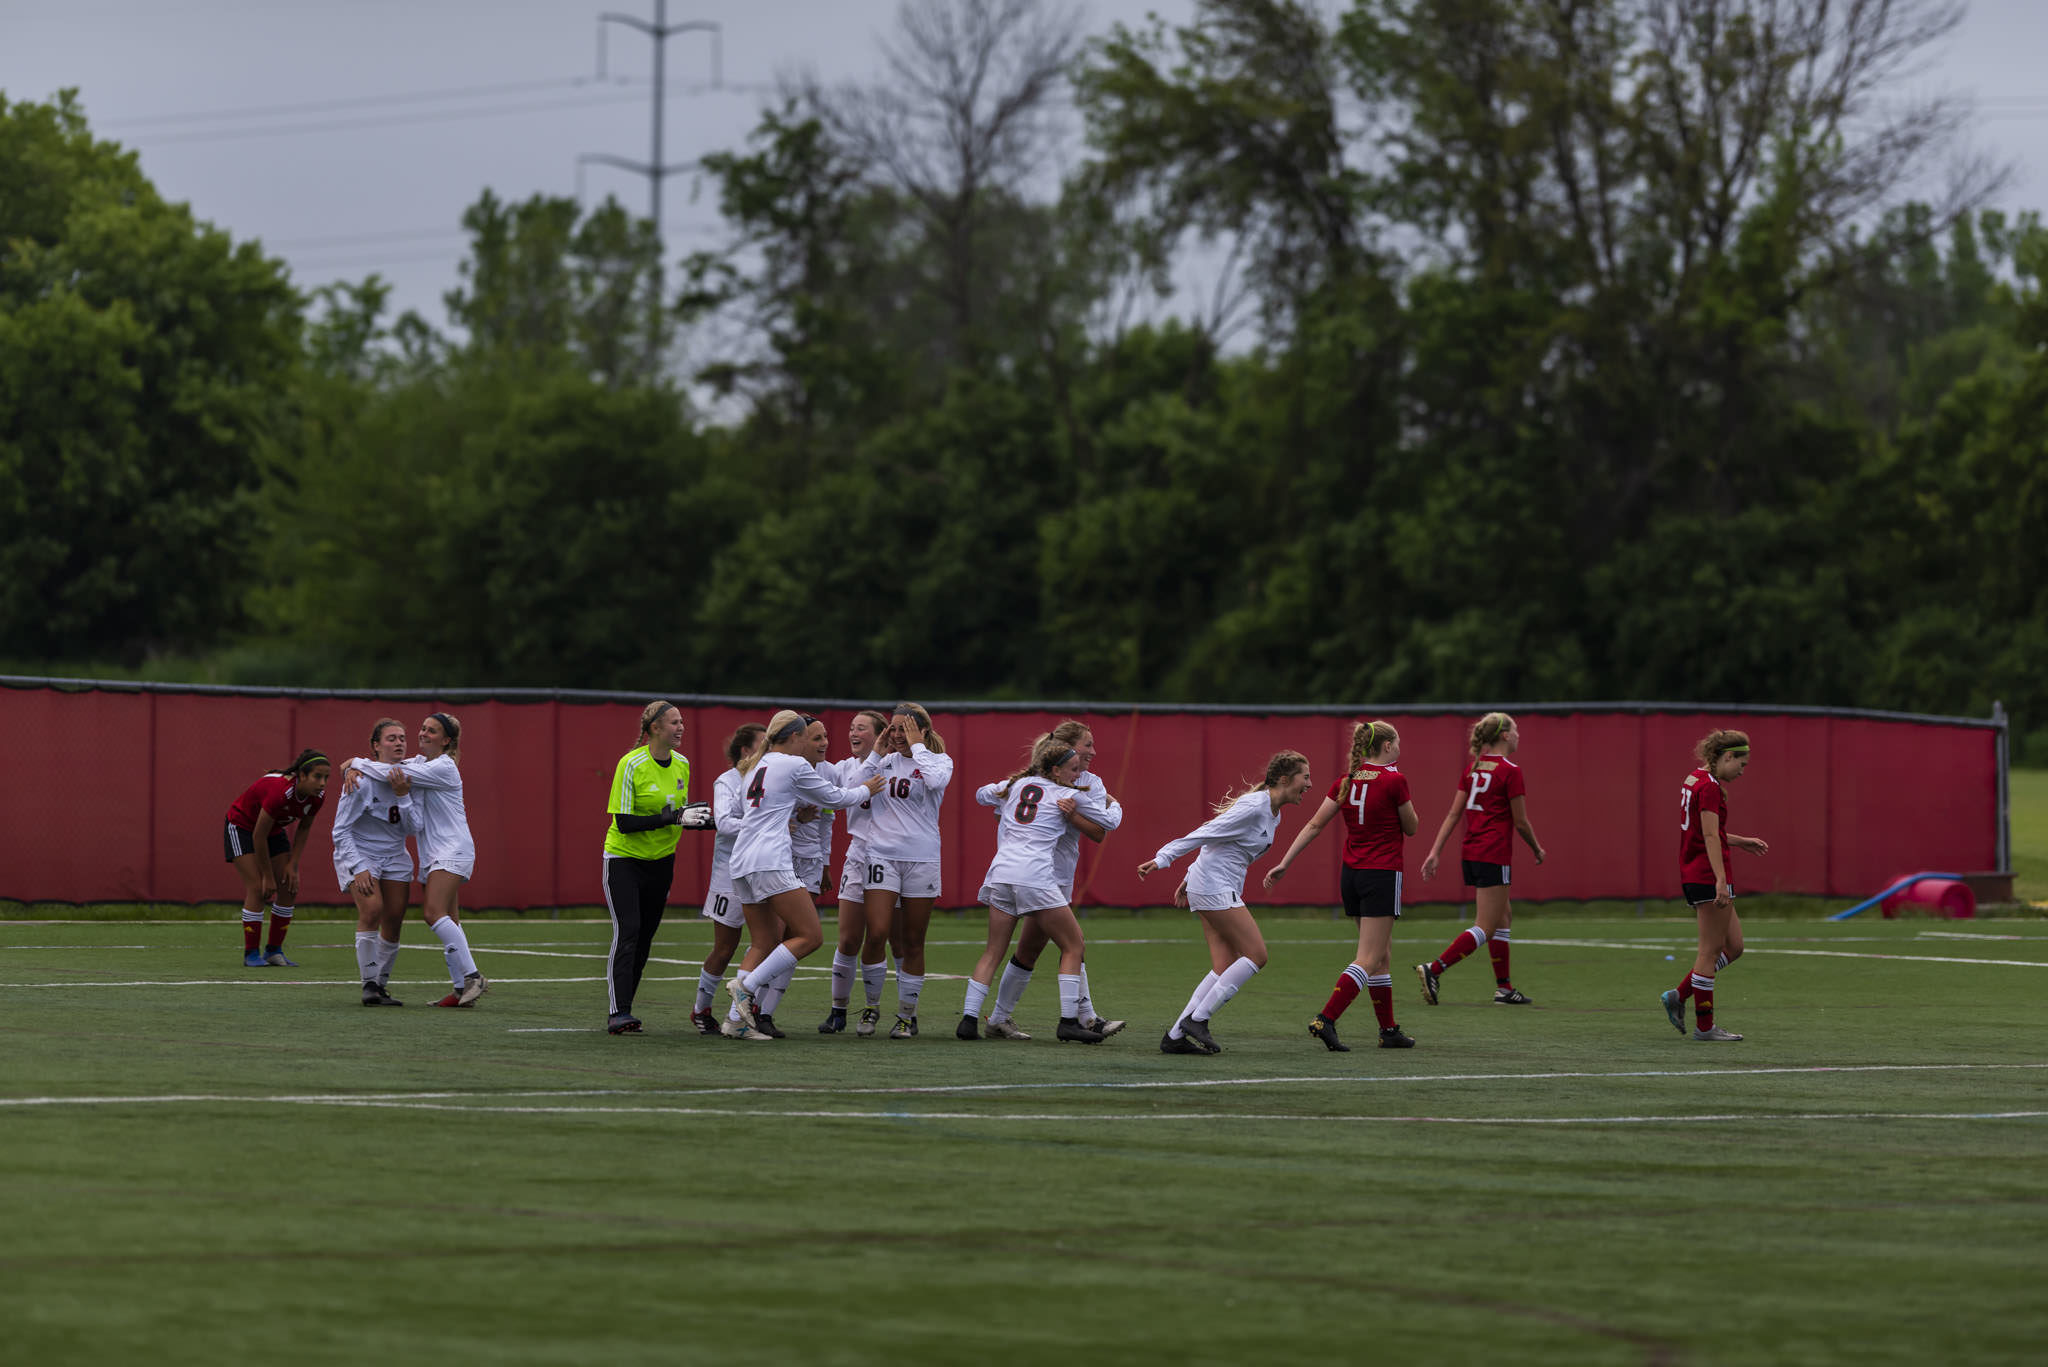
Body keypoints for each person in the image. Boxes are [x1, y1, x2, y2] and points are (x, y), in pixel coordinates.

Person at [723, 710, 885, 1041]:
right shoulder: (793, 764)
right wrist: (868, 788)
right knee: (810, 936)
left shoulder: (758, 764)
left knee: (763, 942)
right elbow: (837, 799)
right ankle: (746, 987)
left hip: (742, 861)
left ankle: (734, 1021)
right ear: (795, 737)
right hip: (770, 860)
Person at [1139, 750, 1314, 1055]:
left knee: (1225, 965)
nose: (1310, 784)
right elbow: (1207, 832)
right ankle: (1198, 1020)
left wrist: (1191, 875)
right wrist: (1164, 858)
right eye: (1306, 777)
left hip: (1211, 884)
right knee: (1257, 955)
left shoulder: (1273, 812)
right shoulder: (1254, 806)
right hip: (1214, 886)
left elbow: (1219, 843)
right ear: (1285, 780)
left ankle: (1176, 1035)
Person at [1265, 720, 1420, 1050]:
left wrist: (1284, 862)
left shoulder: (1346, 781)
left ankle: (1388, 1030)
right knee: (1368, 956)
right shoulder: (1395, 780)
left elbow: (1315, 823)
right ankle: (1326, 1018)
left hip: (1352, 875)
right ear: (1388, 746)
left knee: (1381, 956)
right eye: (1398, 743)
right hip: (1381, 874)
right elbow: (1412, 827)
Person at [958, 737, 1115, 1043]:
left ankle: (968, 1020)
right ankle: (1069, 1021)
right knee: (1073, 946)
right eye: (1071, 769)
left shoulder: (1018, 784)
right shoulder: (1066, 794)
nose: (1076, 775)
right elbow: (1109, 821)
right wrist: (1114, 802)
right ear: (1055, 770)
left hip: (1000, 875)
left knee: (993, 951)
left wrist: (1001, 794)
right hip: (1034, 877)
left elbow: (980, 795)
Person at [345, 712, 488, 1008]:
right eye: (422, 728)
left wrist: (355, 763)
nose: (423, 734)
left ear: (446, 741)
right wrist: (352, 766)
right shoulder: (421, 764)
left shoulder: (444, 767)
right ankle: (462, 989)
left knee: (433, 913)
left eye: (432, 731)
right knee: (451, 920)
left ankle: (474, 977)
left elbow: (386, 773)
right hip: (436, 854)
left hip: (451, 850)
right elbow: (387, 768)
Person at [1416, 712, 1547, 1007]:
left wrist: (1435, 851)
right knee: (1485, 926)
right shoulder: (1510, 771)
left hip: (1472, 853)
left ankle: (1504, 988)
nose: (1517, 735)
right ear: (1503, 735)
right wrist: (1537, 848)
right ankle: (1434, 969)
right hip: (1493, 853)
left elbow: (1453, 814)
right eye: (1515, 730)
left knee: (1503, 916)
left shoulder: (1473, 768)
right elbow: (1521, 822)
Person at [1662, 730, 1770, 1042]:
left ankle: (1678, 995)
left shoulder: (1695, 778)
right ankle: (1705, 1026)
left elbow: (1705, 830)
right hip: (1707, 875)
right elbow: (1709, 836)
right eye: (1741, 763)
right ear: (1726, 757)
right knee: (1709, 952)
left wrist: (1741, 841)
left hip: (1702, 871)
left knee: (1734, 947)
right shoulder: (1709, 787)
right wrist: (1720, 880)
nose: (1742, 770)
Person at [856, 703, 953, 1039]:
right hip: (882, 855)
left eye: (904, 729)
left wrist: (919, 746)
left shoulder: (938, 760)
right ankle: (870, 1006)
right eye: (893, 728)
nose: (896, 735)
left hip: (922, 859)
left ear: (922, 731)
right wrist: (875, 753)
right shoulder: (883, 761)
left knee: (913, 941)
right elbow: (854, 791)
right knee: (878, 932)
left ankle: (906, 1015)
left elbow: (935, 780)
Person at [601, 701, 695, 1035]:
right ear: (654, 727)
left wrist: (698, 820)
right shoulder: (631, 763)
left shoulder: (682, 763)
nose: (681, 727)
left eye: (682, 721)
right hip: (625, 860)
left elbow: (679, 813)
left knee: (645, 938)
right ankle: (618, 1011)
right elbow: (624, 822)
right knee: (628, 932)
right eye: (673, 722)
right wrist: (670, 818)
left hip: (662, 861)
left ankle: (627, 1008)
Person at [332, 718, 421, 1005]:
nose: (398, 743)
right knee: (372, 909)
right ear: (375, 745)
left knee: (394, 918)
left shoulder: (410, 776)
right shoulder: (360, 780)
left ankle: (380, 985)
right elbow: (340, 830)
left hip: (395, 854)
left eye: (402, 738)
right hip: (361, 853)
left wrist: (403, 795)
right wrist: (359, 867)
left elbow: (413, 828)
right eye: (391, 738)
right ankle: (368, 985)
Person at [819, 709, 893, 1035]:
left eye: (861, 728)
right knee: (849, 937)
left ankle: (874, 1008)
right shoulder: (845, 768)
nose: (853, 733)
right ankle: (838, 1010)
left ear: (879, 735)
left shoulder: (894, 764)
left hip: (892, 858)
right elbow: (845, 790)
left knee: (881, 936)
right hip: (859, 856)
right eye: (851, 727)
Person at [222, 748, 331, 968]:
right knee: (258, 888)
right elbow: (258, 835)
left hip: (272, 831)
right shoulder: (280, 792)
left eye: (326, 777)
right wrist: (268, 877)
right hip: (242, 827)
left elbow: (303, 829)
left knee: (289, 887)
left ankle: (273, 951)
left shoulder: (317, 797)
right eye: (317, 776)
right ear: (302, 775)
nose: (322, 783)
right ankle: (251, 953)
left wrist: (293, 865)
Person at [693, 722, 767, 1035]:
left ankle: (747, 1013)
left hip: (762, 869)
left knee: (768, 942)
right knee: (725, 946)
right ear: (745, 750)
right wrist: (763, 823)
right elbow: (723, 822)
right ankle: (701, 1010)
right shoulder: (727, 781)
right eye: (764, 743)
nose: (770, 749)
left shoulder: (767, 778)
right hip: (730, 872)